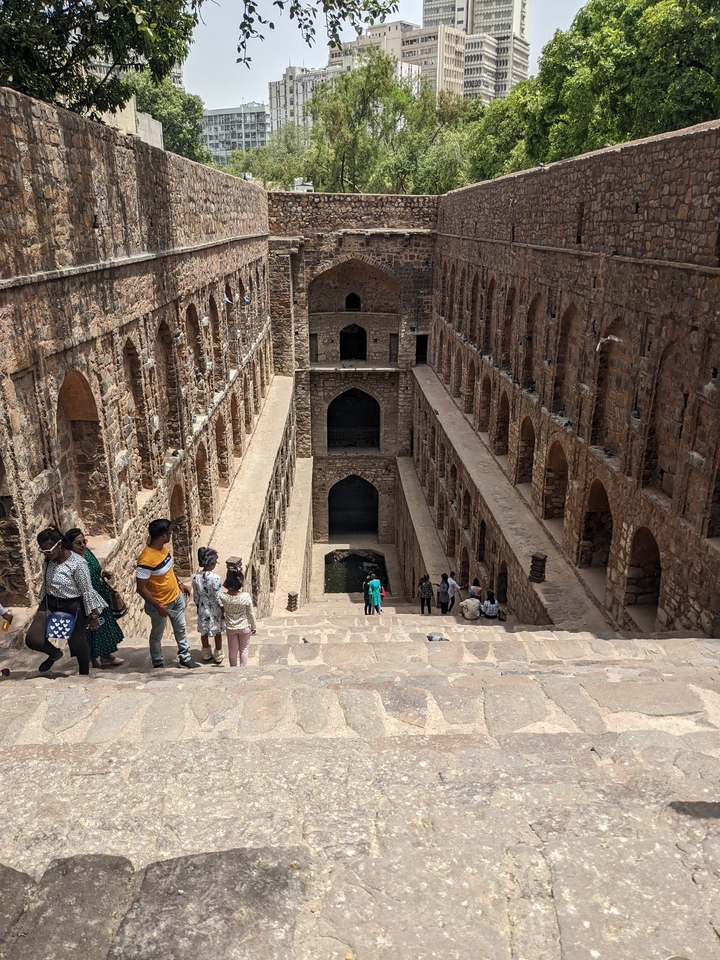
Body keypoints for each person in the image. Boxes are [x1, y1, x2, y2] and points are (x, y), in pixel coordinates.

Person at [25, 527, 104, 675]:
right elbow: (47, 583)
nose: (47, 555)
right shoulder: (48, 562)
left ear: (59, 545)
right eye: (43, 552)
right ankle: (54, 654)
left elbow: (87, 590)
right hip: (50, 601)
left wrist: (94, 615)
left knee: (76, 642)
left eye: (49, 551)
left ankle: (84, 673)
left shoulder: (77, 564)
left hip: (74, 605)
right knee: (33, 639)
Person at [136, 518, 199, 668]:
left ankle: (185, 656)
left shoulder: (162, 549)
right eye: (170, 533)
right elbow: (141, 588)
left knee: (181, 628)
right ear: (163, 536)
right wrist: (158, 606)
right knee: (157, 634)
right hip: (160, 604)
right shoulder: (146, 559)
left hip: (175, 598)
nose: (171, 535)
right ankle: (157, 662)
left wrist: (179, 583)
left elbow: (169, 570)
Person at [66, 529, 124, 668]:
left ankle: (106, 655)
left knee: (104, 627)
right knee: (89, 630)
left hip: (99, 597)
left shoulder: (87, 553)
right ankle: (92, 660)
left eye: (84, 541)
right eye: (78, 543)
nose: (82, 545)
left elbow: (94, 570)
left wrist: (103, 573)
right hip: (85, 601)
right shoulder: (71, 562)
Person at [218, 569, 256, 667]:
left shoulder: (223, 597)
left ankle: (233, 668)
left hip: (231, 627)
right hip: (244, 627)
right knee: (244, 649)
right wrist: (254, 626)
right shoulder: (246, 597)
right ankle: (243, 668)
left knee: (232, 649)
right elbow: (251, 613)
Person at [192, 547, 224, 665]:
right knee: (217, 631)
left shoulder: (196, 577)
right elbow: (218, 596)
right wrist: (223, 610)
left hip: (202, 607)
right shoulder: (216, 578)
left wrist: (198, 608)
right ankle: (218, 654)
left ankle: (206, 653)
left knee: (204, 632)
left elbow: (195, 597)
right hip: (214, 609)